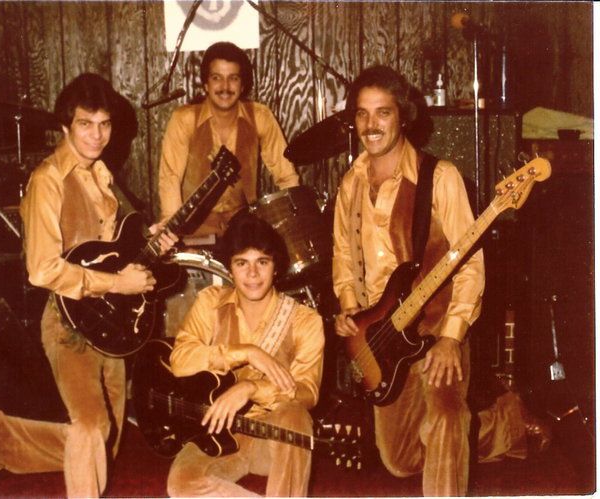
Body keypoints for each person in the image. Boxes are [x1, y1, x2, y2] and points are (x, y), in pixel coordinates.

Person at [0, 73, 177, 497]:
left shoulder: (102, 173)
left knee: (106, 439)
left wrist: (151, 238)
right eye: (86, 124)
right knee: (90, 429)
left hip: (109, 322)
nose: (97, 135)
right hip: (69, 323)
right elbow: (41, 269)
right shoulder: (47, 180)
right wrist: (118, 283)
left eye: (104, 124)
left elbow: (116, 246)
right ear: (66, 126)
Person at [332, 65, 535, 496]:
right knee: (400, 460)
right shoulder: (351, 183)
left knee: (445, 419)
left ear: (403, 116)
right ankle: (505, 423)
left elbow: (470, 264)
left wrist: (451, 338)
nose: (371, 124)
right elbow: (343, 256)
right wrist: (351, 310)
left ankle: (456, 433)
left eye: (383, 112)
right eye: (362, 113)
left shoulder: (439, 177)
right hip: (382, 338)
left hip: (436, 329)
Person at [165, 212, 324, 497]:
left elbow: (307, 392)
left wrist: (251, 388)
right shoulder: (210, 303)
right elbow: (180, 360)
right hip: (218, 428)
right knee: (182, 483)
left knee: (295, 416)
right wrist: (245, 353)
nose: (252, 274)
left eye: (262, 262)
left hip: (272, 437)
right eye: (242, 263)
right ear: (230, 267)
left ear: (276, 267)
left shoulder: (304, 320)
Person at [158, 41, 299, 238]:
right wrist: (173, 232)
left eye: (233, 78)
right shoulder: (185, 119)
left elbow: (286, 176)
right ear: (206, 84)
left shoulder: (260, 116)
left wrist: (296, 219)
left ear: (242, 85)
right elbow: (170, 178)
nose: (225, 87)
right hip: (193, 230)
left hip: (242, 227)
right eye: (217, 78)